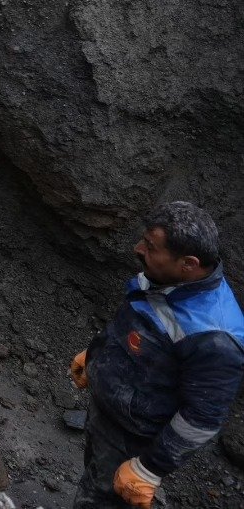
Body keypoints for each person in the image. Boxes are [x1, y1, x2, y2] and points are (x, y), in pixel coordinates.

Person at [69, 201, 244, 508]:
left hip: (133, 437)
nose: (138, 249)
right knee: (94, 478)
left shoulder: (214, 339)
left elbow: (203, 418)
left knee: (102, 501)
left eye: (150, 246)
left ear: (188, 263)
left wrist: (148, 469)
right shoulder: (166, 279)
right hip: (112, 411)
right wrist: (97, 354)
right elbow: (136, 322)